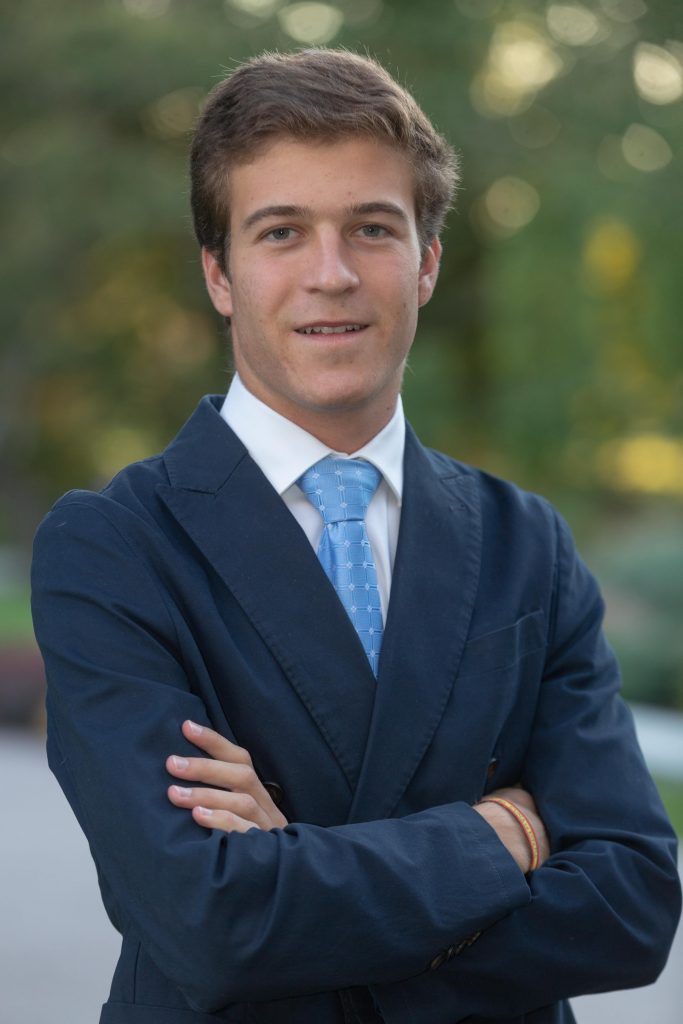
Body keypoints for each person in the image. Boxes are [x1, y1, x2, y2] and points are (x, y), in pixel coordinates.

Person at [31, 49, 680, 1024]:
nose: (330, 275)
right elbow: (211, 924)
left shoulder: (525, 544)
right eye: (281, 232)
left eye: (372, 229)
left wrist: (295, 873)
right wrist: (499, 836)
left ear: (426, 263)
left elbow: (628, 906)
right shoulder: (114, 548)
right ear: (219, 274)